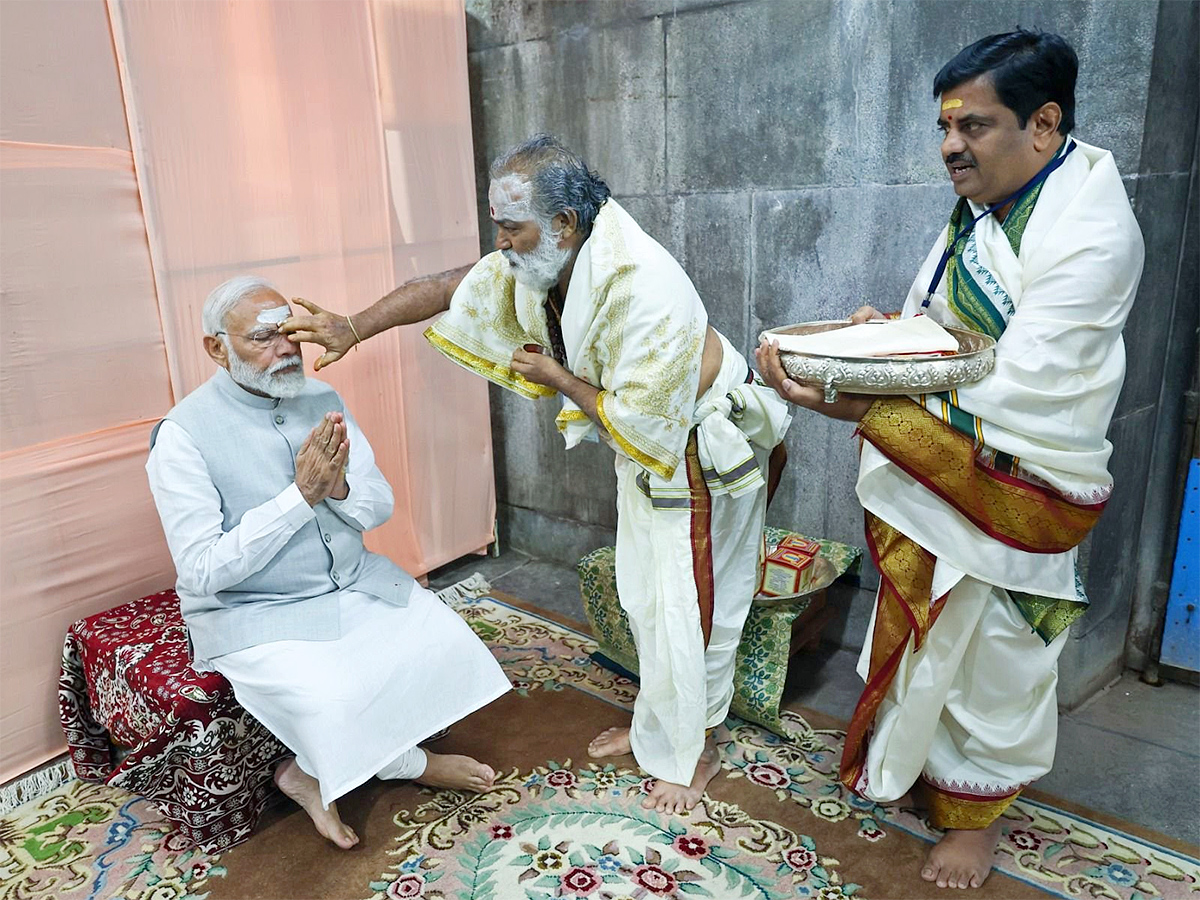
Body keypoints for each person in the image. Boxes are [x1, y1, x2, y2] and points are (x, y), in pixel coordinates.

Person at [281, 135, 792, 814]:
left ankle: (694, 746)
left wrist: (558, 377)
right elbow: (443, 287)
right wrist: (353, 325)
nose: (501, 242)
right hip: (648, 445)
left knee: (692, 606)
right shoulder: (544, 256)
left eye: (509, 226)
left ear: (564, 224)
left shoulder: (644, 284)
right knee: (648, 598)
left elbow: (647, 422)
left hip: (696, 449)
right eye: (497, 224)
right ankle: (658, 728)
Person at [758, 30, 1144, 890]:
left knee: (996, 652)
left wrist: (866, 397)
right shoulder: (996, 202)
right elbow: (943, 325)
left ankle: (979, 819)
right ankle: (919, 771)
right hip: (955, 448)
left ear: (1043, 124)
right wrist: (881, 339)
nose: (949, 148)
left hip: (1024, 470)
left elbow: (1026, 383)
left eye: (972, 127)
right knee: (932, 629)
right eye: (945, 127)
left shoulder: (1093, 229)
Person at [146, 276, 511, 850]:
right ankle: (403, 765)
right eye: (265, 338)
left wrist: (339, 490)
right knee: (336, 696)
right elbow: (201, 570)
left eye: (290, 332)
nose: (288, 349)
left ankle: (307, 771)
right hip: (255, 609)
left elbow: (378, 505)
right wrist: (299, 499)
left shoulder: (322, 399)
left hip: (348, 581)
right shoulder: (182, 435)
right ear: (217, 348)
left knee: (445, 641)